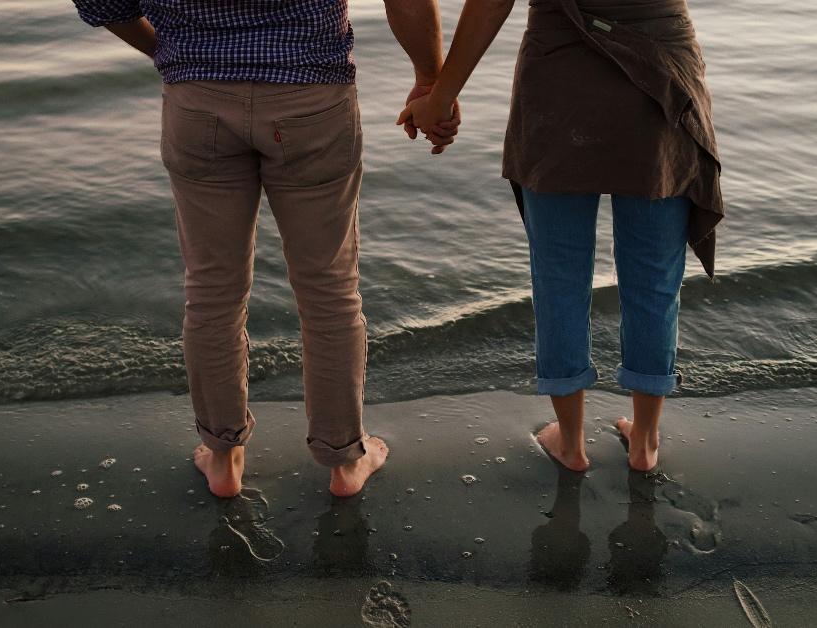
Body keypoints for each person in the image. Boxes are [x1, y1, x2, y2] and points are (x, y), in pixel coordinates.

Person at [71, 0, 459, 497]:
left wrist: (169, 51)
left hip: (197, 98)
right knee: (330, 291)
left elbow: (102, 2)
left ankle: (223, 456)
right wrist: (431, 77)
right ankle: (343, 461)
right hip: (311, 95)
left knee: (212, 292)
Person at [399, 0, 724, 472]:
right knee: (654, 278)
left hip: (558, 77)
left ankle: (570, 443)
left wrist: (441, 94)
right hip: (660, 71)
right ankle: (645, 443)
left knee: (559, 278)